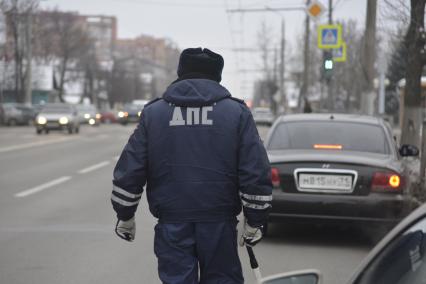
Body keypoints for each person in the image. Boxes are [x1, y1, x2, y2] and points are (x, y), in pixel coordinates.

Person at [111, 47, 272, 284]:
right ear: (218, 75)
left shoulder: (154, 113)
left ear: (180, 72)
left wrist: (125, 215)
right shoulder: (236, 113)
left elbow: (131, 168)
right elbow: (254, 170)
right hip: (219, 223)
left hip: (172, 223)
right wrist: (255, 219)